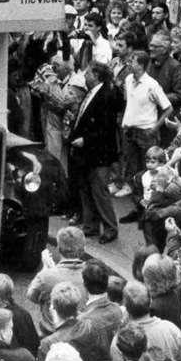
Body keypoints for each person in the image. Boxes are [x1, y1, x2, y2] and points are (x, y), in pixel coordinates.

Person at [69, 62, 123, 243]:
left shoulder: (106, 95)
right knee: (86, 189)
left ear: (96, 75)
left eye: (87, 74)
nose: (84, 77)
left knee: (100, 191)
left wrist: (86, 140)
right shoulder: (91, 94)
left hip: (99, 153)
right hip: (85, 153)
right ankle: (90, 226)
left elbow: (106, 128)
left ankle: (110, 228)